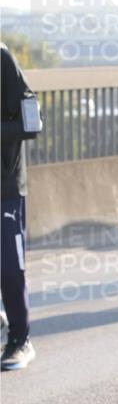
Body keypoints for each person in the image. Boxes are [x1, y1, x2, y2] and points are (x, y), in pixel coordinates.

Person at [1, 45, 40, 370]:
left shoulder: (1, 58)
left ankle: (20, 340)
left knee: (9, 269)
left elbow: (32, 122)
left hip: (4, 187)